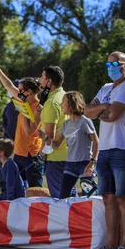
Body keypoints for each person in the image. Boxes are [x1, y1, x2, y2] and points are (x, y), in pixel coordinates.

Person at [84, 51, 125, 249]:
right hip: (106, 150)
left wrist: (101, 110)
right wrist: (103, 107)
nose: (111, 68)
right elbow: (87, 111)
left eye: (115, 64)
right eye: (108, 64)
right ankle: (110, 245)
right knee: (108, 198)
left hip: (124, 149)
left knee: (124, 199)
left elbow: (113, 115)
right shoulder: (106, 88)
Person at [0, 57, 44, 188]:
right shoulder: (22, 99)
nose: (17, 92)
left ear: (29, 92)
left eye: (20, 90)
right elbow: (8, 85)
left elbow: (29, 131)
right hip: (19, 152)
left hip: (32, 155)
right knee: (15, 187)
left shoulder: (38, 108)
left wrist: (24, 111)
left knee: (34, 190)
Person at [39, 91, 99, 199]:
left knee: (89, 197)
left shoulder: (85, 121)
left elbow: (96, 141)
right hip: (70, 164)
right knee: (63, 197)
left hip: (84, 163)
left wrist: (92, 162)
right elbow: (56, 145)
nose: (62, 104)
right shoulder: (66, 124)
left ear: (72, 103)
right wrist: (46, 139)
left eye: (64, 101)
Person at [39, 65, 68, 198]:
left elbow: (50, 135)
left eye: (42, 77)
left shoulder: (51, 102)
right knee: (69, 197)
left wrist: (41, 155)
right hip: (68, 155)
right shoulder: (64, 96)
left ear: (49, 81)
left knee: (60, 199)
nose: (40, 80)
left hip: (55, 158)